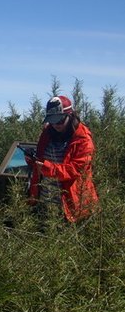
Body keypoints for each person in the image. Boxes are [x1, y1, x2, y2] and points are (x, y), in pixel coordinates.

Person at [27, 95, 98, 223]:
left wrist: (46, 167)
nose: (56, 125)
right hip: (45, 201)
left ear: (70, 116)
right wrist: (32, 160)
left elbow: (75, 170)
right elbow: (40, 160)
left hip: (71, 206)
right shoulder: (47, 132)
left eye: (60, 120)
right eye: (52, 121)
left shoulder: (83, 139)